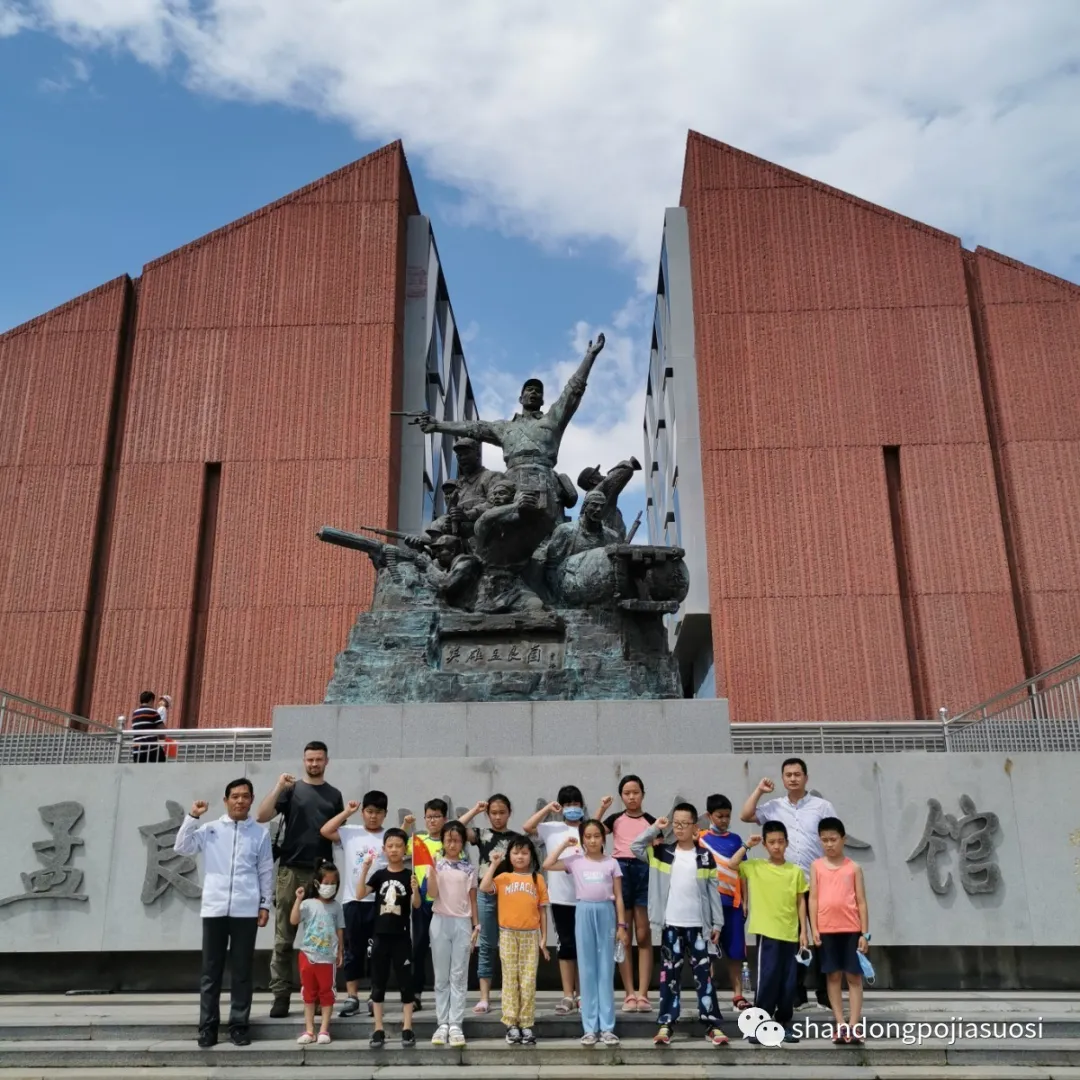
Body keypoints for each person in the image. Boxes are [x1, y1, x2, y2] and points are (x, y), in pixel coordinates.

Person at [174, 778, 272, 1048]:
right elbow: (182, 847)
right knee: (211, 970)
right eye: (235, 796)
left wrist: (264, 904)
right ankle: (208, 1027)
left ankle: (239, 1025)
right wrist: (192, 816)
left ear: (252, 800)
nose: (240, 801)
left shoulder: (260, 833)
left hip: (245, 909)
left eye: (245, 796)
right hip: (215, 908)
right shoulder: (210, 829)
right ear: (226, 800)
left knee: (242, 971)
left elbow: (265, 870)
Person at [255, 742, 344, 1018]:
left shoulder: (334, 795)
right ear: (303, 761)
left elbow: (337, 833)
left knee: (319, 938)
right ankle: (281, 994)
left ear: (327, 761)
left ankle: (318, 996)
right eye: (309, 759)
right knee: (284, 936)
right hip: (291, 870)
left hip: (321, 874)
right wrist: (279, 786)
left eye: (318, 759)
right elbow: (262, 815)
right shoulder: (291, 790)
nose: (314, 764)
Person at [740, 758, 836, 1009]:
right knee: (795, 939)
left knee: (821, 937)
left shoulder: (821, 806)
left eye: (797, 774)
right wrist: (760, 790)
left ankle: (826, 992)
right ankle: (797, 992)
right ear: (782, 779)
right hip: (787, 884)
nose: (793, 778)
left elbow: (831, 838)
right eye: (788, 775)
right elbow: (746, 814)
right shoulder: (774, 807)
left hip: (817, 880)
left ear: (806, 777)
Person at [630, 803, 727, 1047]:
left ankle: (712, 1024)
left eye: (685, 823)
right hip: (671, 925)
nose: (680, 828)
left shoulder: (705, 857)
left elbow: (713, 892)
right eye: (676, 823)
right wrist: (654, 828)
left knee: (704, 977)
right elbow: (635, 846)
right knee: (669, 976)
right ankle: (666, 1023)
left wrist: (717, 923)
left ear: (695, 827)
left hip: (699, 927)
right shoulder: (661, 852)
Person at [543, 819, 629, 1047]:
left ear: (603, 838)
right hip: (583, 912)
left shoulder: (612, 863)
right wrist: (563, 845)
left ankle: (607, 1027)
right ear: (582, 839)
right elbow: (548, 864)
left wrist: (622, 926)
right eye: (588, 836)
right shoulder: (575, 861)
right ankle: (589, 1028)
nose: (592, 840)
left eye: (596, 836)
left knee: (605, 969)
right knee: (587, 969)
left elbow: (619, 896)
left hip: (606, 913)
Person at [726, 823, 809, 1044]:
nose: (777, 846)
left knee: (788, 982)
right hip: (767, 933)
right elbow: (732, 864)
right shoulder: (755, 866)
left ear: (787, 843)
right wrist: (746, 845)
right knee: (768, 979)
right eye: (771, 842)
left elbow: (801, 901)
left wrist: (804, 932)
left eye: (781, 842)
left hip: (790, 933)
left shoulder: (795, 871)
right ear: (765, 844)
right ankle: (760, 1024)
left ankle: (783, 1023)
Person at [319, 790, 388, 1018]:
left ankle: (374, 996)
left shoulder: (389, 836)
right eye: (369, 812)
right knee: (352, 950)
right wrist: (347, 812)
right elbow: (325, 830)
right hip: (353, 901)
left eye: (378, 813)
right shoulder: (350, 833)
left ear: (385, 814)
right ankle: (352, 997)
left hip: (381, 902)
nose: (373, 817)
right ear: (363, 812)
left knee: (377, 951)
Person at [523, 786, 587, 1015]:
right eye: (567, 804)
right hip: (561, 897)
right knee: (566, 946)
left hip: (587, 897)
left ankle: (584, 994)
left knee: (585, 947)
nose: (572, 808)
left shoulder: (588, 830)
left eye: (576, 804)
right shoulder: (552, 828)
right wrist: (548, 809)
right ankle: (568, 995)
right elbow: (527, 827)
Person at [480, 836, 550, 1045]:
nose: (520, 856)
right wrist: (493, 864)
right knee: (510, 978)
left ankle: (526, 1023)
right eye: (516, 852)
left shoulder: (538, 879)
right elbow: (484, 886)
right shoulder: (503, 878)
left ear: (531, 856)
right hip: (508, 934)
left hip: (530, 935)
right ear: (509, 855)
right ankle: (511, 1023)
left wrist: (544, 938)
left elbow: (543, 910)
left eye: (524, 853)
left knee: (528, 980)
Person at [597, 776, 656, 1012]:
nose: (631, 797)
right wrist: (602, 808)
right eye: (627, 793)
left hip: (643, 869)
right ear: (621, 795)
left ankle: (644, 994)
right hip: (620, 870)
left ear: (643, 793)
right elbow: (591, 831)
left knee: (643, 935)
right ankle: (629, 993)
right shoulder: (615, 819)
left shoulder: (651, 821)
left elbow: (662, 845)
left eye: (636, 792)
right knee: (624, 934)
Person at [356, 828, 418, 1049]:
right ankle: (378, 1028)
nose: (394, 850)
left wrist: (415, 890)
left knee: (405, 983)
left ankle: (408, 1027)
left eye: (398, 846)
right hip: (380, 936)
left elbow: (417, 905)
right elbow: (359, 894)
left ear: (405, 849)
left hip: (401, 937)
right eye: (390, 846)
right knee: (378, 983)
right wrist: (364, 870)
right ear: (384, 849)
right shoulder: (380, 874)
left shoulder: (409, 875)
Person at [810, 817, 869, 1045]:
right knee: (832, 976)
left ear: (843, 840)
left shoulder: (853, 867)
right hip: (826, 930)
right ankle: (839, 1024)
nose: (829, 844)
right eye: (824, 840)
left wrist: (865, 933)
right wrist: (814, 927)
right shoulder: (816, 866)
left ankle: (854, 1025)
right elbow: (813, 898)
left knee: (854, 977)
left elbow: (862, 901)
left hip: (851, 929)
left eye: (833, 839)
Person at [425, 821, 479, 1048]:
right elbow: (431, 894)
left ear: (463, 843)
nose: (452, 843)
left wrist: (477, 926)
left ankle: (456, 1023)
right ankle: (442, 1023)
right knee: (441, 976)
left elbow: (473, 900)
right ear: (443, 841)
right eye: (449, 839)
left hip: (462, 924)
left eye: (457, 840)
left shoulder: (469, 869)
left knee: (458, 975)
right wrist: (432, 873)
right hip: (440, 921)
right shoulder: (436, 865)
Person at [460, 794, 515, 1014]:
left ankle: (510, 992)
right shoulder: (482, 835)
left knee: (511, 945)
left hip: (511, 894)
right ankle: (484, 997)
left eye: (502, 812)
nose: (498, 817)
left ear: (509, 813)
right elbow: (456, 827)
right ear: (488, 814)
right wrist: (474, 810)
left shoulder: (516, 839)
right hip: (486, 893)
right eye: (493, 813)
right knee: (487, 945)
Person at [698, 794, 750, 1010]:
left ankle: (738, 995)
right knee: (709, 950)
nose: (724, 820)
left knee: (736, 951)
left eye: (727, 816)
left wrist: (746, 900)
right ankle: (709, 992)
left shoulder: (737, 840)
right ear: (709, 815)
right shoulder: (699, 839)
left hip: (733, 905)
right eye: (719, 816)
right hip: (709, 907)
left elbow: (743, 873)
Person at [289, 861, 345, 1045]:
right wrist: (297, 899)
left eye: (332, 883)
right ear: (317, 883)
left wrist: (340, 951)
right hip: (307, 955)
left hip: (327, 958)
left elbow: (339, 930)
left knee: (326, 992)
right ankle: (309, 1030)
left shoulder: (337, 907)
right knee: (309, 993)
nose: (328, 887)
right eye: (325, 882)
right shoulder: (308, 904)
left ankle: (324, 1030)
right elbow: (294, 920)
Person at [409, 798, 448, 1011]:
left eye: (436, 816)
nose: (432, 821)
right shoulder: (417, 841)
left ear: (445, 818)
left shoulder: (450, 841)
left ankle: (445, 992)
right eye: (429, 817)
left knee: (443, 949)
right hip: (421, 902)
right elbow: (394, 845)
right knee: (419, 948)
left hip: (444, 902)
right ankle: (415, 993)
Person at [129, 690, 170, 763]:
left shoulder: (135, 713)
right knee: (161, 763)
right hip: (151, 749)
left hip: (137, 750)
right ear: (151, 700)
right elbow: (162, 733)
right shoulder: (153, 712)